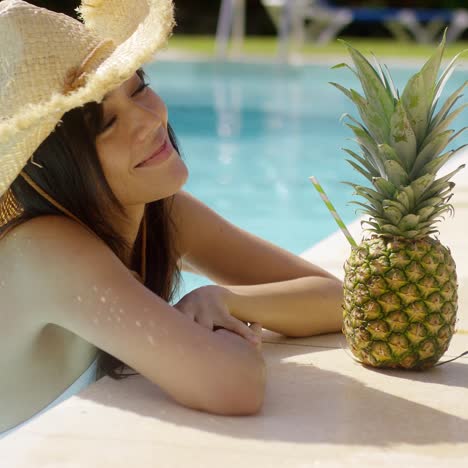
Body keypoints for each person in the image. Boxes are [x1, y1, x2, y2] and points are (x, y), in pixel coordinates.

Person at [0, 0, 343, 437]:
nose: (147, 120)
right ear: (51, 167)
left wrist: (225, 301)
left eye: (139, 88)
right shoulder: (44, 250)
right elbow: (230, 384)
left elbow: (335, 298)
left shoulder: (159, 213)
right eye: (106, 124)